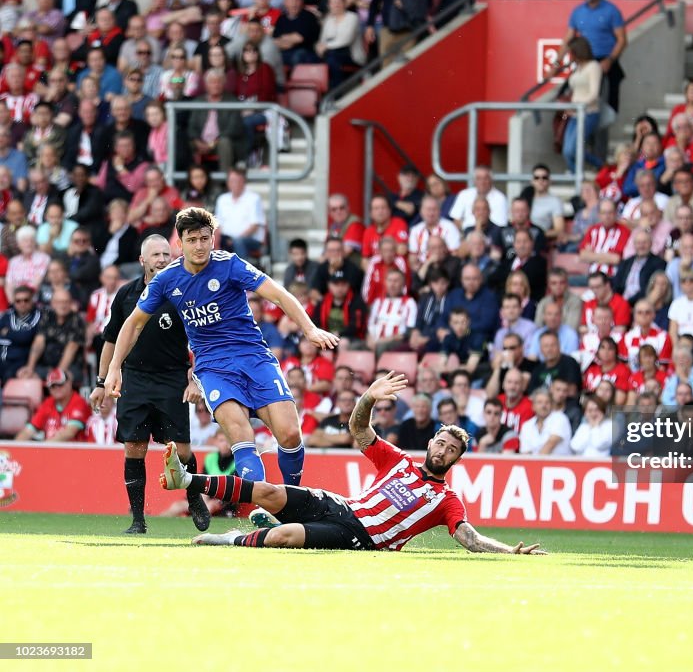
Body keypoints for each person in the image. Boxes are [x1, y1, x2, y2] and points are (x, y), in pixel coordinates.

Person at [105, 208, 339, 506]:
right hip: (213, 367)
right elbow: (134, 323)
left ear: (212, 238)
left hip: (254, 357)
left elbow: (278, 294)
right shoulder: (167, 280)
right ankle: (268, 506)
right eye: (192, 240)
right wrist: (115, 368)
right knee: (242, 435)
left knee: (291, 434)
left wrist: (310, 329)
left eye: (205, 238)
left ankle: (292, 501)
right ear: (181, 243)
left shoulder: (230, 265)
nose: (200, 246)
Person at [163, 372, 546, 553]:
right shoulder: (398, 460)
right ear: (431, 442)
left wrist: (509, 552)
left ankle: (229, 539)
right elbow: (358, 428)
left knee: (284, 537)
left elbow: (470, 539)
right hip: (340, 504)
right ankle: (187, 479)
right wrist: (369, 397)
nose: (443, 451)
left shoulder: (445, 500)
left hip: (360, 537)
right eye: (441, 443)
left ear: (456, 461)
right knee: (267, 491)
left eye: (450, 451)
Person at [87, 234, 208, 534]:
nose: (162, 259)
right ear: (142, 260)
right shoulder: (127, 294)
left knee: (181, 450)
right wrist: (102, 382)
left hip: (172, 379)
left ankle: (194, 498)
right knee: (134, 447)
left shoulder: (184, 292)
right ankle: (138, 520)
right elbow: (111, 340)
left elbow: (202, 339)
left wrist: (196, 378)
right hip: (135, 380)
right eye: (156, 255)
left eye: (166, 254)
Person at [550, 0, 626, 114]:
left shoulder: (611, 10)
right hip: (584, 62)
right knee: (564, 94)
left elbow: (622, 40)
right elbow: (567, 40)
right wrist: (556, 65)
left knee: (604, 105)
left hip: (605, 62)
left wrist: (610, 60)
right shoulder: (578, 11)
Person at [15, 368, 91, 442]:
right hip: (50, 451)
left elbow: (69, 433)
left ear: (69, 383)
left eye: (60, 384)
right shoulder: (48, 403)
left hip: (74, 452)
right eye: (53, 386)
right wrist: (15, 448)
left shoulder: (79, 402)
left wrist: (43, 448)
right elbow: (29, 430)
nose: (57, 388)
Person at [561, 36, 603, 172]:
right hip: (574, 114)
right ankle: (577, 178)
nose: (570, 55)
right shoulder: (578, 67)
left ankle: (601, 167)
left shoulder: (593, 67)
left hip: (588, 113)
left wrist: (578, 104)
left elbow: (594, 93)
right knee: (567, 151)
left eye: (571, 52)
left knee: (574, 149)